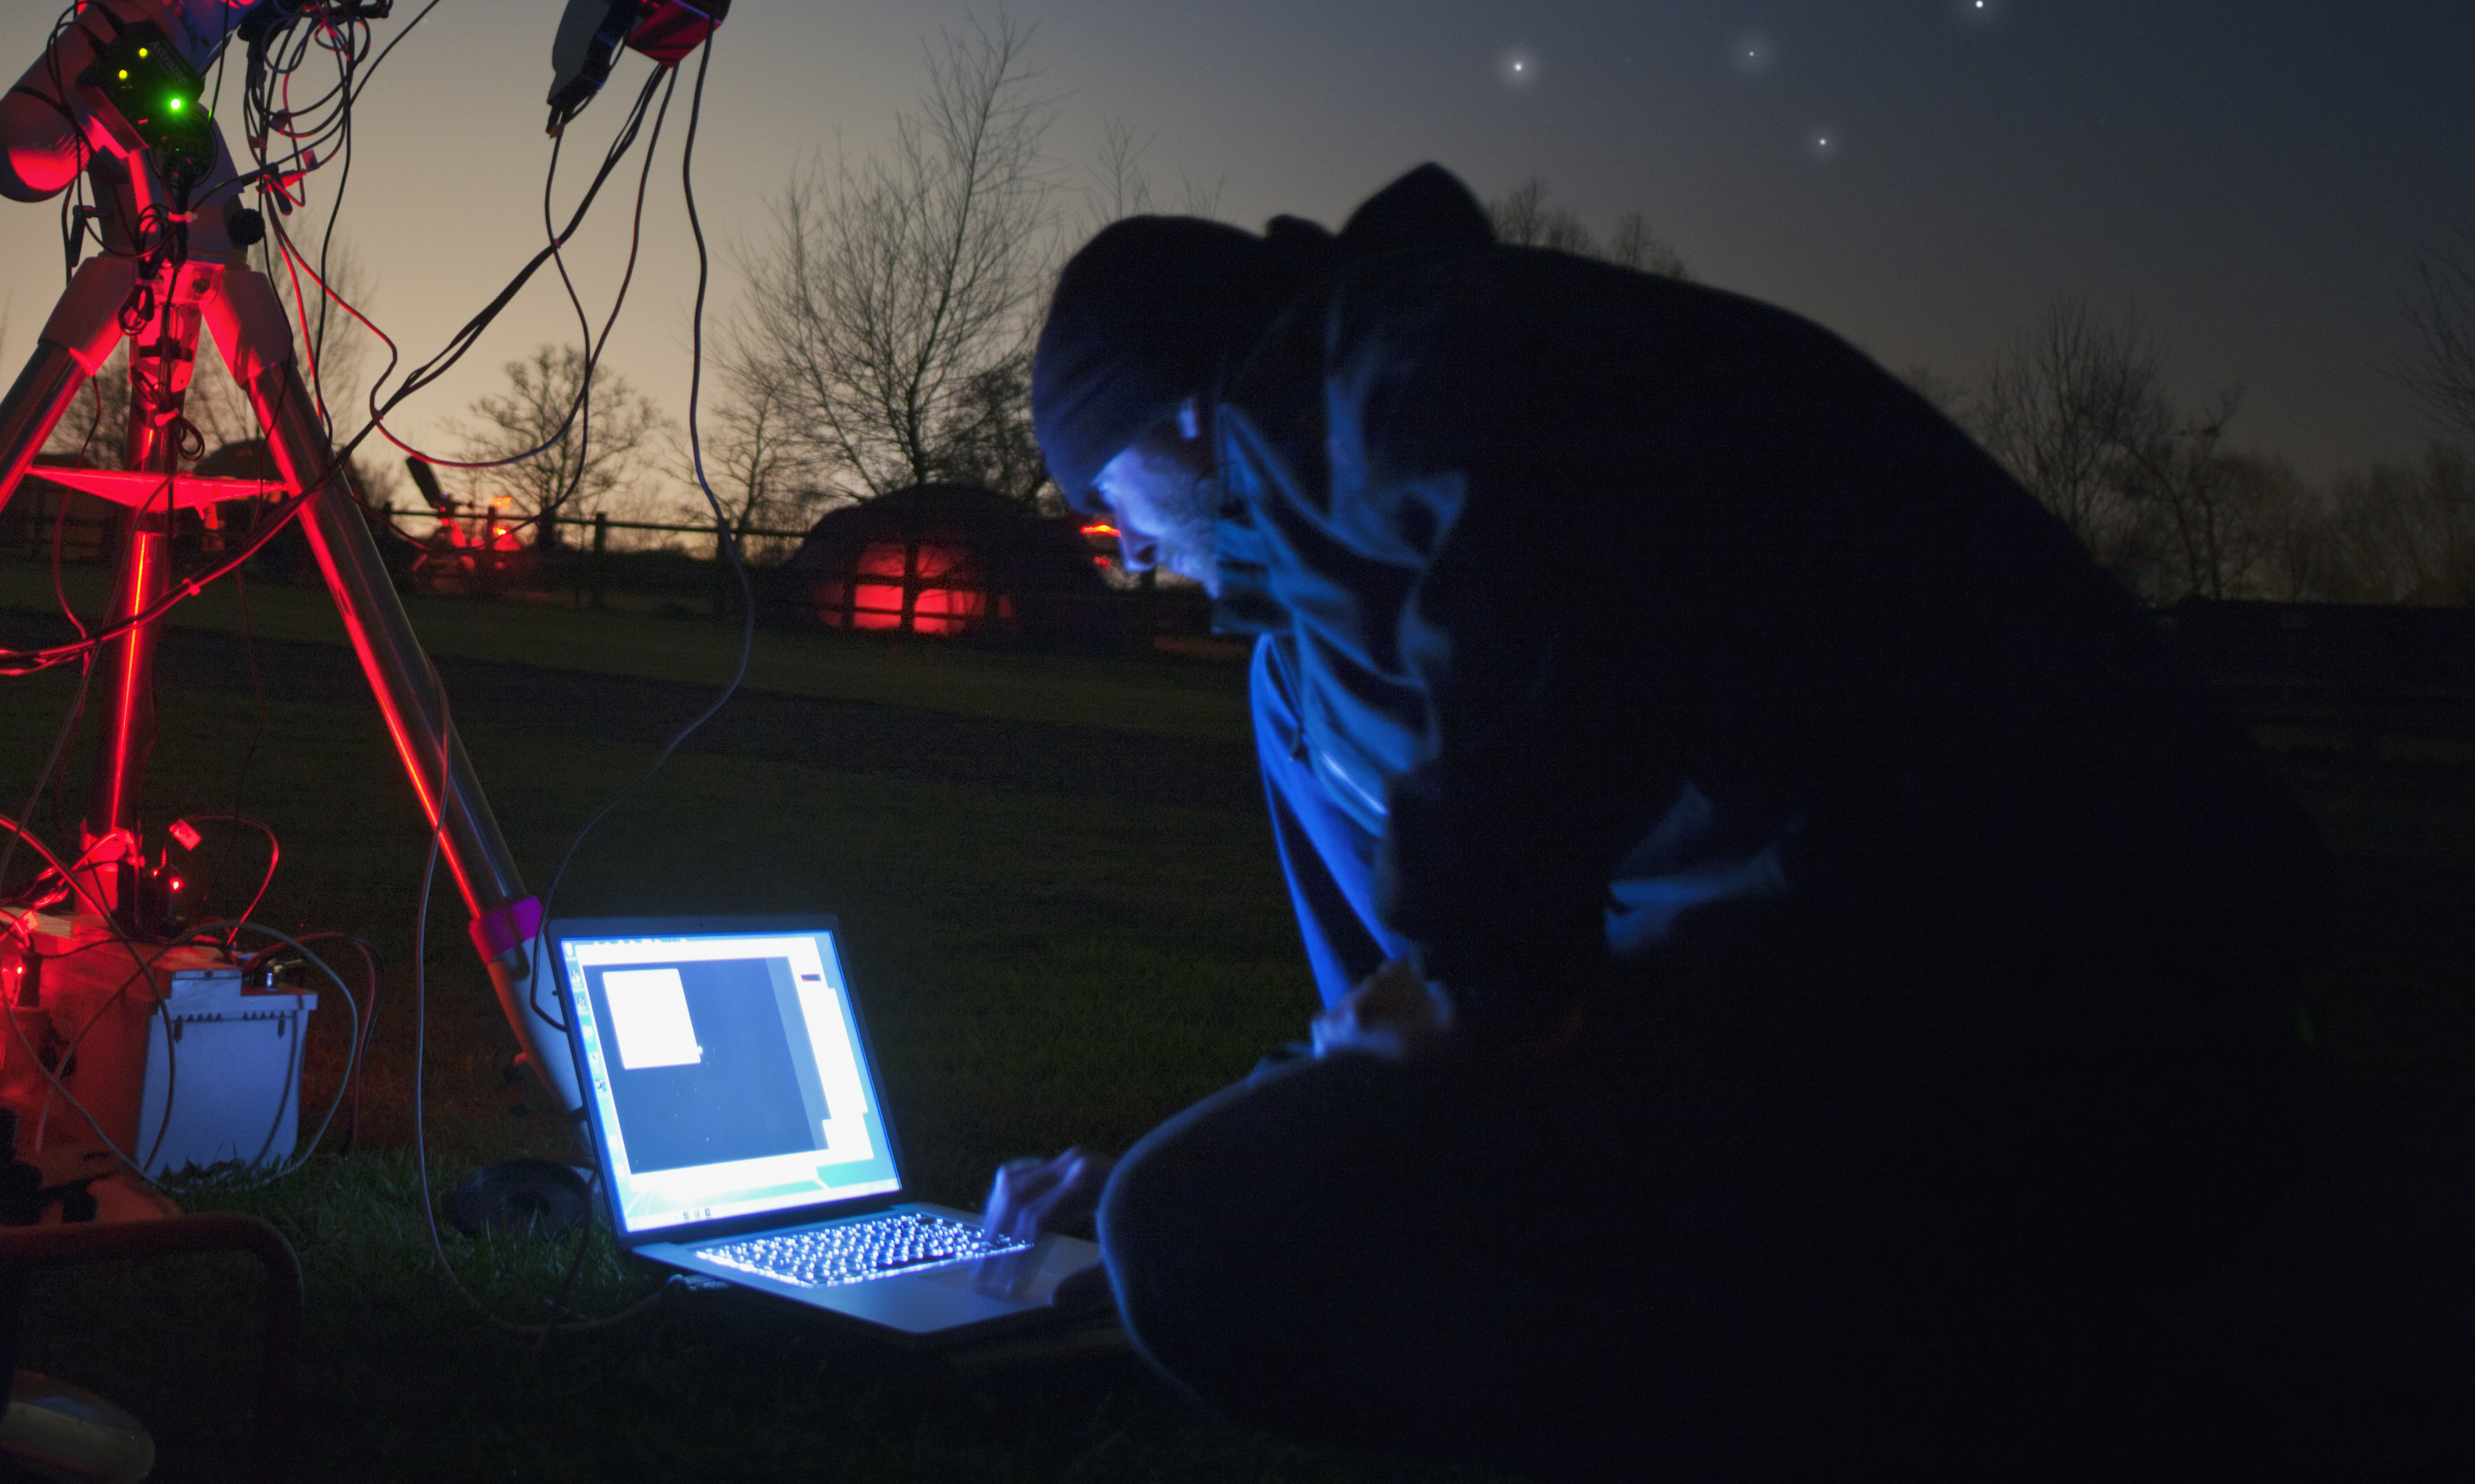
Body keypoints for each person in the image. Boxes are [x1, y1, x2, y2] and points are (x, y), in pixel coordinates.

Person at [980, 163, 2324, 1479]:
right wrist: (1255, 1127)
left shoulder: (1415, 355)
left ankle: (2071, 1402)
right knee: (1194, 1205)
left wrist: (1483, 979)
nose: (1131, 551)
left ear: (1189, 414)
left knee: (1199, 1240)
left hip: (2058, 997)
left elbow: (1542, 576)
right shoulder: (1306, 666)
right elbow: (1410, 1024)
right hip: (1801, 1017)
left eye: (1110, 500)